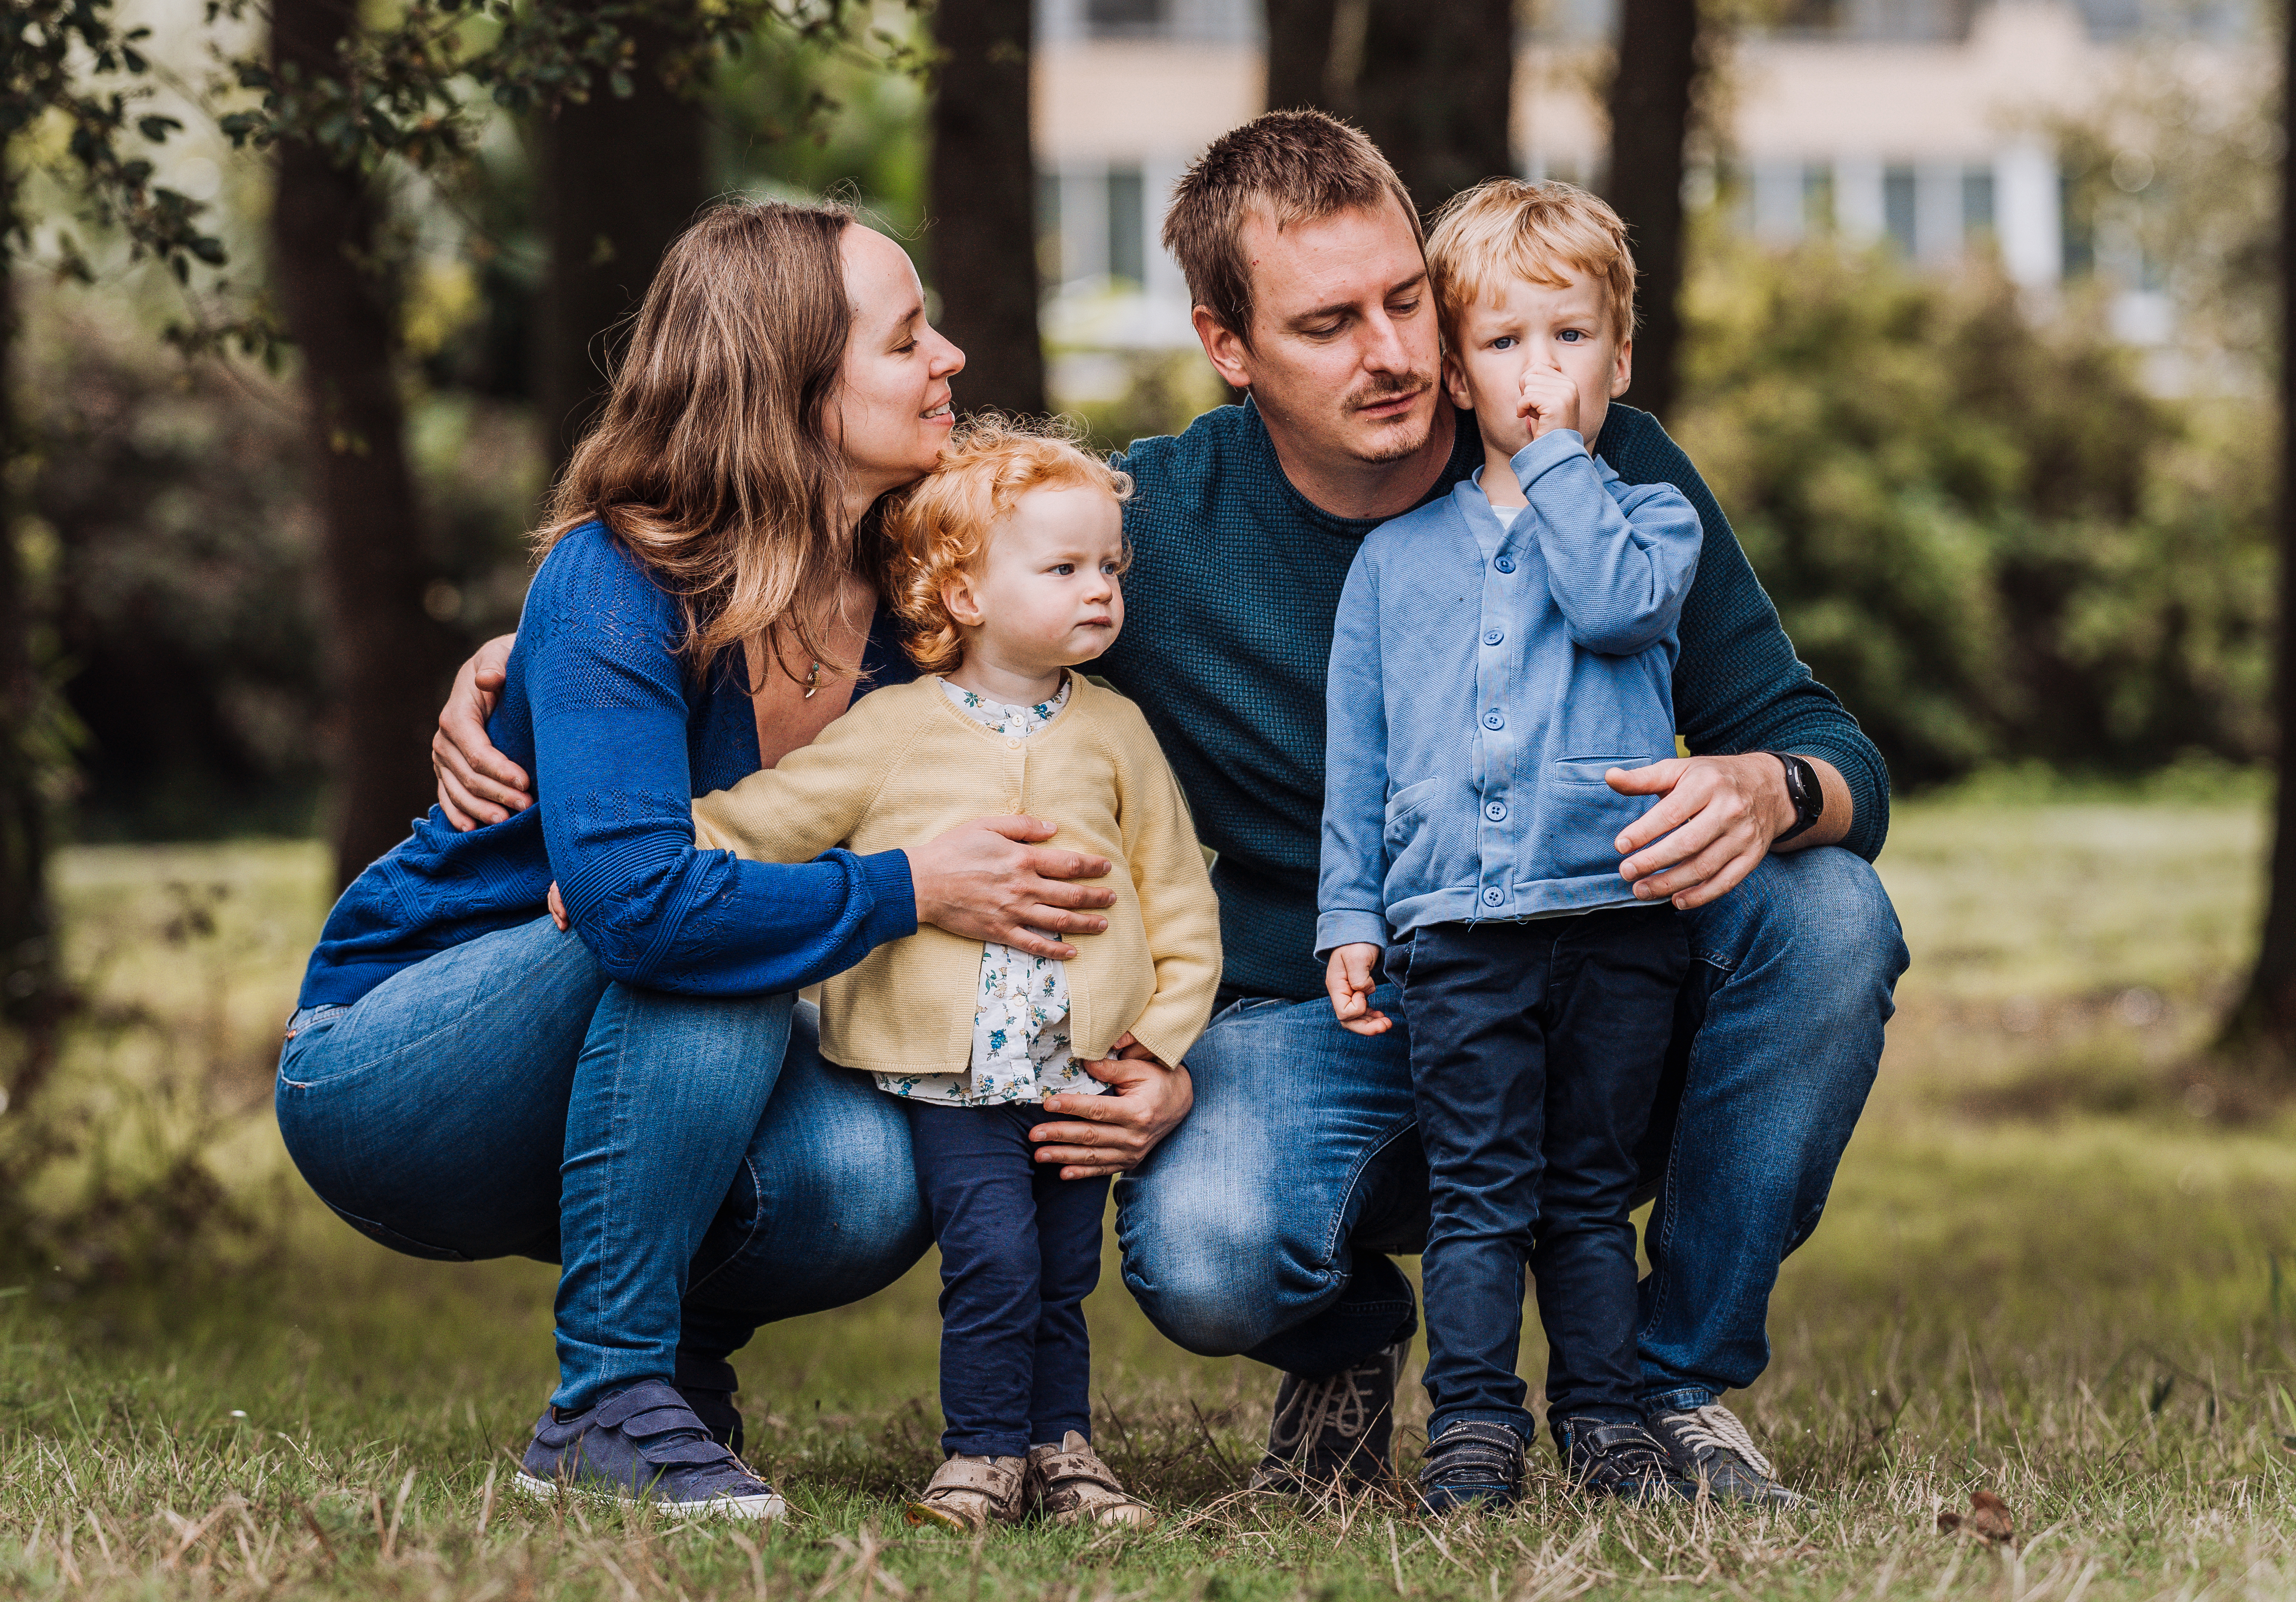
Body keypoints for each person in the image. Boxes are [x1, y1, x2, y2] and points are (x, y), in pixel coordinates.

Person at [434, 113, 1906, 1505]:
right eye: (1328, 325)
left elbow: (1825, 743)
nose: (1396, 355)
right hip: (1313, 1024)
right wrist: (547, 654)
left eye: (1406, 300)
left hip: (1600, 985)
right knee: (1207, 1253)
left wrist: (1773, 788)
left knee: (1830, 910)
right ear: (1226, 346)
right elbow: (852, 567)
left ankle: (1669, 1386)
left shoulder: (1602, 466)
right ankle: (1341, 1336)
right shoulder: (1135, 538)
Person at [276, 201, 1131, 1520]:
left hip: (638, 1057)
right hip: (398, 1062)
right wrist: (909, 888)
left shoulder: (925, 612)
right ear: (788, 387)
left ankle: (676, 1369)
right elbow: (642, 916)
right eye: (908, 340)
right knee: (693, 924)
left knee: (875, 1178)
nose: (952, 356)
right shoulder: (617, 579)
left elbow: (1099, 595)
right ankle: (605, 1399)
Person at [691, 418, 1218, 1531]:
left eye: (1111, 567)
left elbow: (1178, 899)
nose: (1100, 590)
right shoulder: (893, 728)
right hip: (955, 1074)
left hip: (1082, 1072)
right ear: (964, 592)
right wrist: (649, 850)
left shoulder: (1118, 732)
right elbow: (773, 816)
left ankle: (1062, 1449)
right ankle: (979, 1454)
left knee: (1065, 1272)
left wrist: (1157, 1041)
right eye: (1065, 567)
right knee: (992, 1259)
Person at [1316, 179, 1702, 1512]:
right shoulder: (1394, 561)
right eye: (1504, 344)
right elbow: (1355, 767)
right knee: (1480, 1197)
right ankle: (1473, 1430)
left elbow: (1609, 611)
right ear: (1457, 373)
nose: (1539, 374)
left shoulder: (1651, 525)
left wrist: (1554, 468)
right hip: (1462, 939)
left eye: (1570, 338)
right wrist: (1349, 919)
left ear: (1622, 357)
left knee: (1589, 1198)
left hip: (1618, 920)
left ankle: (1608, 1420)